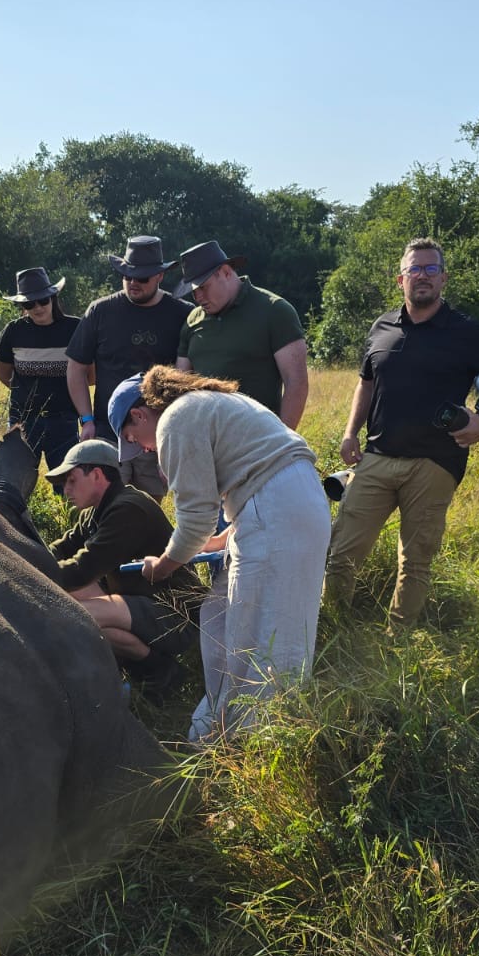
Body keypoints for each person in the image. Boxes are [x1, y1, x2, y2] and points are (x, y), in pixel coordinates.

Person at [111, 366, 330, 743]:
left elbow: (196, 519)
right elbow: (250, 488)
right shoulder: (209, 404)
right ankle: (217, 728)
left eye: (133, 439)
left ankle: (253, 745)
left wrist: (162, 566)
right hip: (287, 504)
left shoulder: (176, 420)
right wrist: (217, 541)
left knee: (262, 640)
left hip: (277, 510)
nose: (143, 449)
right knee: (222, 614)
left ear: (139, 414)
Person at [322, 237, 479, 626]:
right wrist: (350, 433)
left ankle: (399, 642)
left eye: (431, 269)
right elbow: (366, 383)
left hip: (435, 462)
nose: (423, 276)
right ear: (401, 279)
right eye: (415, 269)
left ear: (443, 278)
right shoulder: (382, 327)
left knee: (415, 562)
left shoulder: (467, 332)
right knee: (341, 551)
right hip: (376, 457)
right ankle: (331, 628)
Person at [43, 438, 202, 697]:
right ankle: (142, 670)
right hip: (140, 602)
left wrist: (26, 575)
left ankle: (161, 671)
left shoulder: (128, 509)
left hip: (175, 615)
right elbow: (59, 551)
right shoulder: (96, 512)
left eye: (71, 480)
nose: (66, 490)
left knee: (76, 615)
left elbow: (82, 569)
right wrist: (23, 558)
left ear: (96, 475)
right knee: (65, 601)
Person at [65, 236, 192, 498]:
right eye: (127, 275)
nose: (133, 282)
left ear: (159, 276)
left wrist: (173, 435)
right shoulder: (101, 311)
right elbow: (76, 367)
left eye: (142, 278)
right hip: (108, 433)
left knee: (148, 511)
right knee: (106, 506)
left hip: (155, 439)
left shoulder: (182, 314)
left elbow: (186, 377)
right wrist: (86, 419)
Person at [173, 240, 309, 429]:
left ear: (226, 272)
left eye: (203, 287)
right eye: (193, 292)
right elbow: (181, 387)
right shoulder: (192, 321)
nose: (198, 298)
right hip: (205, 441)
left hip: (259, 440)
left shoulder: (275, 310)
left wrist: (282, 441)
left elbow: (297, 383)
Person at [0, 267, 79, 469]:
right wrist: (29, 395)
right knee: (17, 478)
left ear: (53, 298)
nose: (37, 307)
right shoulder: (14, 331)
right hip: (23, 419)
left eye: (43, 301)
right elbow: (3, 374)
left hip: (64, 419)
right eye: (29, 303)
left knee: (67, 480)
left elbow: (89, 375)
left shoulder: (75, 328)